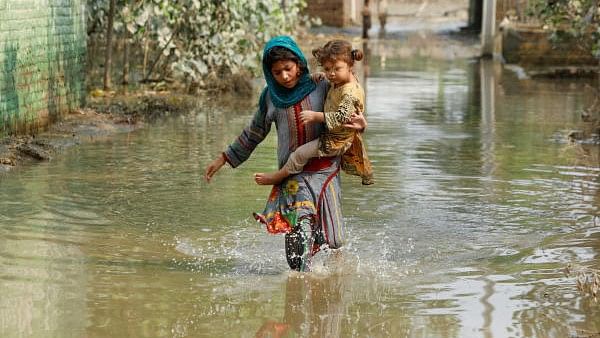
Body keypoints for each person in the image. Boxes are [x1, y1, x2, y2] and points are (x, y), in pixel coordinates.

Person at [203, 36, 366, 272]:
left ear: (299, 64)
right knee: (298, 241)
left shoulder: (323, 85)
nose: (285, 77)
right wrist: (224, 158)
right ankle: (299, 286)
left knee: (335, 240)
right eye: (277, 73)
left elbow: (348, 109)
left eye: (288, 69)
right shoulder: (270, 97)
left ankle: (333, 287)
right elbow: (254, 133)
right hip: (292, 176)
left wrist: (361, 124)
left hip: (326, 171)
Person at [254, 39, 374, 186]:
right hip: (333, 137)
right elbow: (253, 132)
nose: (331, 74)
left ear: (350, 65)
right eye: (327, 69)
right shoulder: (334, 83)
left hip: (335, 141)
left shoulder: (350, 92)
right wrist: (320, 75)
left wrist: (316, 116)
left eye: (336, 69)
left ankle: (279, 176)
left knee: (299, 154)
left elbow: (341, 117)